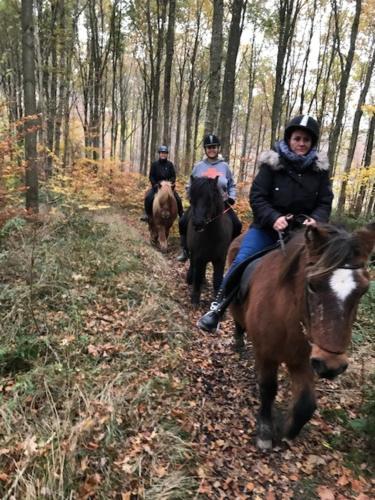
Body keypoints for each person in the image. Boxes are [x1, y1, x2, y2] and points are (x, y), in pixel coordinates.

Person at [197, 115, 334, 332]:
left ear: (312, 143)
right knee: (241, 259)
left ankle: (327, 325)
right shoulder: (272, 165)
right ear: (289, 139)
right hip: (268, 228)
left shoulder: (320, 171)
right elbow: (258, 196)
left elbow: (325, 201)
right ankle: (217, 308)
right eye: (297, 138)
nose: (301, 143)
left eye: (306, 140)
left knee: (330, 270)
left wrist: (315, 219)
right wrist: (273, 218)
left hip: (304, 233)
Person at [176, 134, 242, 262]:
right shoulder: (199, 166)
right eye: (209, 147)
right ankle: (184, 249)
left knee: (237, 224)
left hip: (221, 204)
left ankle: (230, 250)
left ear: (218, 148)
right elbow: (190, 185)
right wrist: (192, 197)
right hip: (201, 205)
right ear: (205, 150)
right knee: (183, 221)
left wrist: (232, 197)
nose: (211, 149)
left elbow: (231, 185)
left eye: (214, 147)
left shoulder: (225, 167)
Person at [141, 145, 183, 222]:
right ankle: (146, 214)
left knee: (178, 198)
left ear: (167, 154)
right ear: (159, 154)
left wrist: (170, 183)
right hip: (157, 186)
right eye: (162, 153)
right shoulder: (154, 164)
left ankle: (181, 214)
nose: (163, 154)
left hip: (168, 187)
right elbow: (151, 176)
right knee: (148, 197)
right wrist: (155, 185)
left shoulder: (170, 164)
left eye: (165, 153)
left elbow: (173, 176)